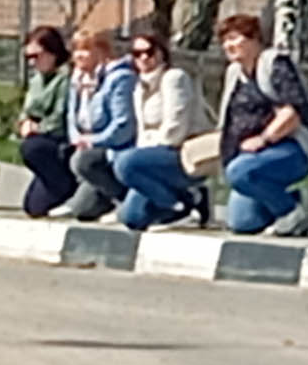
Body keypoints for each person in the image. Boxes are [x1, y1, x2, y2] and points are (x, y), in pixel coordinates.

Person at [217, 14, 308, 236]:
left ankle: (291, 212)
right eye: (225, 40)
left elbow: (293, 112)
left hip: (289, 149)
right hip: (250, 158)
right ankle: (297, 198)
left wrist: (264, 138)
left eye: (234, 38)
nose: (228, 45)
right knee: (243, 222)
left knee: (239, 172)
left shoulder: (274, 64)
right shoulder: (234, 73)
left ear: (255, 39)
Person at [111, 30, 210, 230]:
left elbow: (175, 128)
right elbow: (142, 129)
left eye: (149, 52)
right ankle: (187, 199)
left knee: (125, 163)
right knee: (131, 218)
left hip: (179, 153)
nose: (144, 58)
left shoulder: (174, 78)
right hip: (152, 154)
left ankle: (179, 205)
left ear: (161, 53)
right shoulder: (140, 86)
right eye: (137, 54)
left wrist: (145, 155)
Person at [52, 30, 138, 222]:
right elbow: (72, 116)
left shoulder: (119, 78)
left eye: (86, 50)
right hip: (87, 142)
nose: (79, 56)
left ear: (102, 52)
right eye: (76, 50)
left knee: (82, 161)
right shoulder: (78, 79)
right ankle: (97, 199)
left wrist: (93, 141)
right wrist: (77, 138)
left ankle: (122, 199)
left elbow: (123, 126)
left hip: (113, 146)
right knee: (82, 211)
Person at [16, 25, 76, 218]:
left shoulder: (65, 79)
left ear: (52, 52)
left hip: (58, 142)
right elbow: (26, 110)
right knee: (33, 207)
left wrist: (38, 128)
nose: (32, 62)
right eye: (28, 57)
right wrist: (24, 123)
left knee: (31, 148)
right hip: (37, 136)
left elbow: (60, 117)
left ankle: (67, 185)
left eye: (37, 56)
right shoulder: (36, 80)